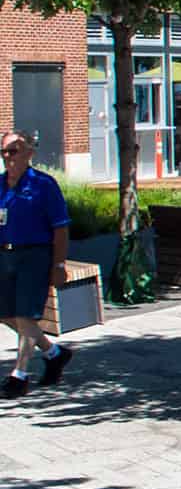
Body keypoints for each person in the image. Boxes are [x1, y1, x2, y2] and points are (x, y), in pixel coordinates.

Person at [1, 131, 74, 399]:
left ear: (29, 153)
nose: (8, 156)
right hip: (5, 256)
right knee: (6, 313)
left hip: (34, 257)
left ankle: (19, 375)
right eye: (4, 151)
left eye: (14, 150)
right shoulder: (0, 185)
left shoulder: (44, 185)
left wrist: (59, 264)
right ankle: (54, 354)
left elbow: (61, 229)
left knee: (24, 315)